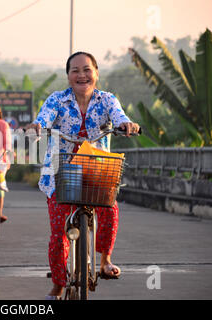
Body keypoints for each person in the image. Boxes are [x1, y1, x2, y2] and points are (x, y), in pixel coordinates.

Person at [25, 51, 140, 299]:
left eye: (87, 69)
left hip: (96, 171)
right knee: (58, 234)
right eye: (75, 70)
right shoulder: (57, 100)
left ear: (96, 73)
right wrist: (38, 126)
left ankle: (105, 261)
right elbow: (44, 118)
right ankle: (58, 283)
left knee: (110, 210)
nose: (81, 75)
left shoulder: (107, 99)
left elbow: (120, 116)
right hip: (63, 172)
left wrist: (125, 124)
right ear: (68, 76)